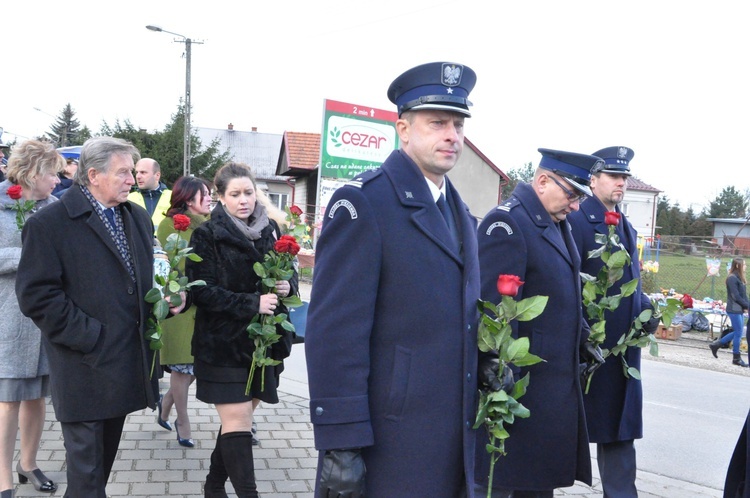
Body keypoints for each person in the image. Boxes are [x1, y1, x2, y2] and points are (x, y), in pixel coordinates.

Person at [306, 62, 490, 497]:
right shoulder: (365, 203)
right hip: (389, 440)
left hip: (452, 438)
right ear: (403, 129)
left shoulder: (460, 213)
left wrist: (485, 362)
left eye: (458, 124)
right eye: (438, 123)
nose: (452, 135)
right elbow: (334, 334)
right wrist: (341, 445)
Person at [15, 136, 186, 498]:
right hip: (84, 366)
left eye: (132, 172)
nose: (132, 179)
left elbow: (144, 276)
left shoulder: (136, 217)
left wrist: (167, 299)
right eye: (123, 172)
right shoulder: (50, 223)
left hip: (124, 364)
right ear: (93, 175)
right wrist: (90, 336)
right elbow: (37, 296)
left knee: (99, 471)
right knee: (87, 475)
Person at [475, 148, 605, 497]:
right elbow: (494, 311)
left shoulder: (553, 221)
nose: (575, 206)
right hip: (519, 391)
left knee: (537, 486)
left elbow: (559, 293)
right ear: (543, 181)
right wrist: (496, 373)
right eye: (572, 194)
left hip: (549, 392)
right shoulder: (508, 223)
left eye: (580, 197)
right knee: (505, 484)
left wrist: (582, 336)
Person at [185, 162, 298, 498]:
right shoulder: (206, 235)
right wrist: (252, 303)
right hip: (223, 345)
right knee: (238, 423)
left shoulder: (271, 230)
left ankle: (213, 485)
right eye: (234, 194)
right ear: (221, 197)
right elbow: (200, 290)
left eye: (248, 192)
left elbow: (290, 276)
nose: (244, 200)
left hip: (264, 346)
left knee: (239, 421)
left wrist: (286, 286)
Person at [568, 146, 660, 497]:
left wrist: (646, 307)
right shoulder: (576, 220)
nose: (621, 182)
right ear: (594, 180)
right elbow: (569, 280)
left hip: (623, 354)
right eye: (614, 176)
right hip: (589, 349)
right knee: (564, 431)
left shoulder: (626, 225)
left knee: (620, 433)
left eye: (624, 176)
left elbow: (630, 281)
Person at [0, 140, 63, 498]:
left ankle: (29, 463)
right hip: (7, 319)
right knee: (8, 402)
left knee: (37, 398)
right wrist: (28, 254)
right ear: (33, 173)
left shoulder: (53, 208)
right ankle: (3, 477)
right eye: (52, 173)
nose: (57, 180)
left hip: (44, 321)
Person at [155, 176, 212, 447]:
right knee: (182, 366)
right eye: (205, 194)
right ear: (189, 199)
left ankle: (164, 406)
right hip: (179, 301)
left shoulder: (211, 224)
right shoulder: (169, 225)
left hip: (203, 301)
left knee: (192, 368)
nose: (210, 198)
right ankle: (182, 421)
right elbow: (179, 265)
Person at [710, 258, 749, 366]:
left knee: (738, 332)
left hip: (739, 309)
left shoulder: (740, 278)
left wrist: (748, 305)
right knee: (738, 333)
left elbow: (743, 296)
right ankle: (736, 358)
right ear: (737, 266)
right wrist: (746, 305)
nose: (745, 266)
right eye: (744, 265)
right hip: (734, 309)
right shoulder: (732, 278)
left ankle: (716, 345)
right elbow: (735, 296)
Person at [127, 157, 172, 230]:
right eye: (136, 172)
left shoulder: (173, 197)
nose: (138, 176)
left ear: (157, 175)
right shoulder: (128, 199)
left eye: (143, 172)